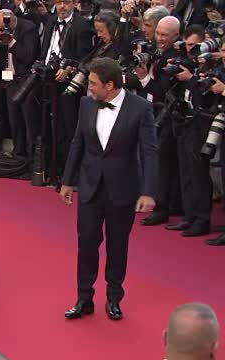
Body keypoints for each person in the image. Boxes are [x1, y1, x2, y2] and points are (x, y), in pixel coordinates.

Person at [59, 57, 157, 321]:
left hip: (123, 188)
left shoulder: (140, 108)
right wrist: (67, 181)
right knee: (87, 243)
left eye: (93, 84)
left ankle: (114, 299)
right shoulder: (86, 104)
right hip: (90, 186)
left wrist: (148, 191)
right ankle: (84, 299)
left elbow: (149, 152)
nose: (88, 88)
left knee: (117, 245)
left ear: (110, 85)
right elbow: (77, 143)